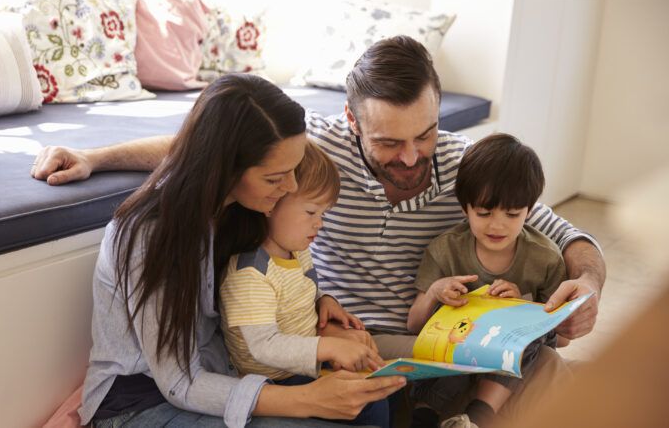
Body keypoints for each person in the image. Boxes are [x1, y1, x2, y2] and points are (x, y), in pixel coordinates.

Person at [32, 36, 606, 422]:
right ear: (352, 124)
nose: (411, 157)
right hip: (284, 360)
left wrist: (587, 284)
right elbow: (198, 146)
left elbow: (567, 235)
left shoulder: (465, 168)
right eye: (389, 142)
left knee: (546, 369)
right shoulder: (302, 164)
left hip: (399, 340)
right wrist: (97, 155)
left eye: (425, 135)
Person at [77, 74, 406, 428]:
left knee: (370, 401)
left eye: (293, 170)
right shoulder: (150, 235)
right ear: (224, 168)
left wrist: (321, 307)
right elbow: (178, 382)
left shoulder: (245, 208)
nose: (291, 187)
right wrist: (308, 398)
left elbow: (278, 278)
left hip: (224, 371)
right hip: (140, 403)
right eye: (274, 177)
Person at [219, 140, 388, 427]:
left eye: (323, 214)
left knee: (381, 389)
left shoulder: (296, 250)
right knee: (368, 403)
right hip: (275, 380)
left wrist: (325, 300)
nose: (319, 224)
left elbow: (300, 287)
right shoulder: (249, 273)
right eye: (311, 212)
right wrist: (330, 347)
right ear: (271, 204)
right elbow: (264, 346)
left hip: (306, 362)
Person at [405, 133, 569, 428]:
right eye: (483, 212)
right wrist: (434, 292)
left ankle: (478, 416)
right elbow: (414, 325)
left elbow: (562, 338)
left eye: (512, 213)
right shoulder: (446, 248)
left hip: (511, 356)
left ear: (530, 210)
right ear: (465, 207)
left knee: (528, 338)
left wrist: (523, 309)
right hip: (458, 348)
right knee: (444, 342)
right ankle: (424, 415)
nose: (497, 224)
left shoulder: (545, 257)